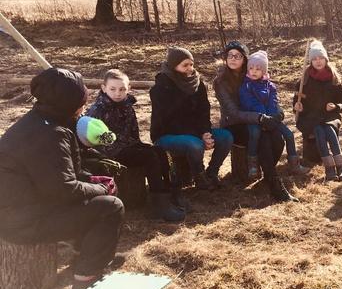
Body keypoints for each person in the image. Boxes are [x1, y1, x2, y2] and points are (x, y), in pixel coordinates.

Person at [0, 68, 124, 289]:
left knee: (97, 197)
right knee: (111, 207)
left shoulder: (41, 120)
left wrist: (92, 179)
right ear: (67, 101)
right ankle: (87, 277)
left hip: (26, 207)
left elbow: (63, 172)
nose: (84, 103)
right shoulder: (50, 134)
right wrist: (100, 188)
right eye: (81, 98)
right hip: (21, 222)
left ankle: (87, 252)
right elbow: (63, 189)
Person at [86, 69, 185, 222]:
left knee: (159, 151)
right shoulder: (98, 110)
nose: (117, 93)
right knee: (149, 157)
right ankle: (159, 205)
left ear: (129, 88)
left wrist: (139, 146)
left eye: (122, 89)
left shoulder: (127, 106)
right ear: (103, 88)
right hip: (109, 152)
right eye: (113, 89)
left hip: (127, 146)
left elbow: (133, 134)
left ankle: (171, 192)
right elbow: (96, 139)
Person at [213, 41, 298, 202]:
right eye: (229, 55)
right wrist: (259, 118)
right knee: (264, 140)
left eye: (237, 56)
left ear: (245, 59)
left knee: (278, 140)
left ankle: (267, 176)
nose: (233, 59)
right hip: (235, 124)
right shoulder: (221, 81)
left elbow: (270, 99)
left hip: (259, 119)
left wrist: (278, 115)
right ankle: (275, 187)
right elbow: (233, 112)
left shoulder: (254, 72)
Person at [150, 47, 233, 190]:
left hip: (195, 133)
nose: (189, 69)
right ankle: (199, 177)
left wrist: (206, 132)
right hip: (167, 135)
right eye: (185, 65)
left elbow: (203, 111)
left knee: (226, 137)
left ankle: (211, 173)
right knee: (195, 144)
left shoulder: (197, 84)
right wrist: (199, 136)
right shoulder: (161, 88)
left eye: (191, 64)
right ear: (173, 66)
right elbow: (169, 120)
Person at [238, 50, 309, 178]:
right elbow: (249, 103)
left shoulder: (270, 86)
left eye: (258, 69)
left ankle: (294, 164)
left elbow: (273, 101)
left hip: (270, 118)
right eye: (251, 68)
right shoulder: (246, 85)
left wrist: (272, 118)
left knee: (289, 134)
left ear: (264, 71)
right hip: (255, 118)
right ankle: (253, 164)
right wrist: (264, 117)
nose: (254, 71)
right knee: (254, 133)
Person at [293, 41, 342, 182]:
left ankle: (341, 166)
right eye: (314, 59)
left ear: (326, 59)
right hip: (310, 117)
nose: (318, 61)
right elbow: (296, 102)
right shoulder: (304, 79)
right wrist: (298, 107)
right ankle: (329, 168)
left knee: (329, 129)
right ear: (311, 61)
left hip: (330, 116)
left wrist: (335, 106)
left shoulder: (334, 79)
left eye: (321, 58)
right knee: (318, 129)